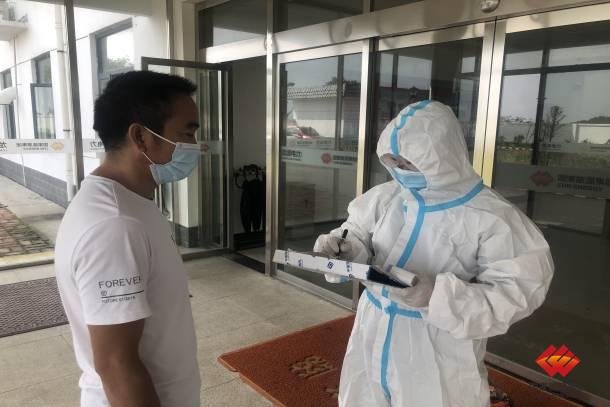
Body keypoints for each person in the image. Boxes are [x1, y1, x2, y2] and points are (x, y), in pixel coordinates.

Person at [314, 100, 554, 407]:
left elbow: (517, 291)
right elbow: (357, 231)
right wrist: (344, 249)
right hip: (371, 329)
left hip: (437, 346)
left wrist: (437, 297)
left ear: (443, 155)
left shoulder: (492, 217)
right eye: (394, 161)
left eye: (410, 162)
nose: (401, 170)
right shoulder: (387, 197)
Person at [55, 71, 202, 407]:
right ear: (141, 137)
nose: (195, 146)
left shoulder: (130, 203)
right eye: (187, 133)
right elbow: (116, 364)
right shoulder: (115, 225)